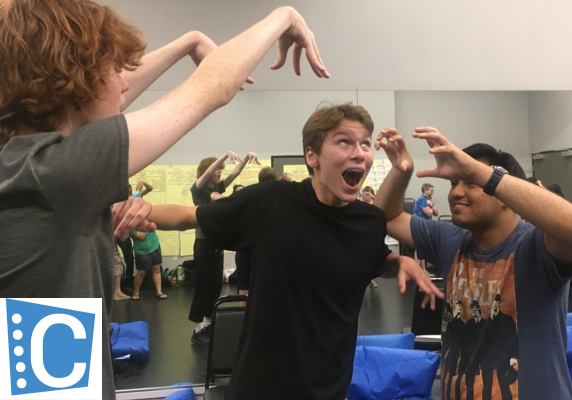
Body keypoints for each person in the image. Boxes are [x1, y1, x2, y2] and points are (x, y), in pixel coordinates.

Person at [0, 0, 329, 397]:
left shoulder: (19, 162)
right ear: (73, 82)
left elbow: (106, 100)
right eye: (112, 69)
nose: (125, 84)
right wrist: (285, 16)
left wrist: (187, 42)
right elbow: (214, 86)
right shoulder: (60, 173)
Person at [142, 103, 443, 400]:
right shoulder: (273, 202)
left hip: (331, 387)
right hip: (261, 388)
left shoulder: (370, 220)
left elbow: (374, 260)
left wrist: (399, 261)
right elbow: (188, 216)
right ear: (312, 156)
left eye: (365, 143)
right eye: (344, 142)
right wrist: (134, 210)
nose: (359, 152)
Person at [374, 126, 572, 400]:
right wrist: (401, 170)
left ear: (504, 195)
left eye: (471, 182)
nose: (456, 192)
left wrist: (479, 171)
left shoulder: (535, 246)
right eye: (454, 182)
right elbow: (386, 217)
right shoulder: (451, 239)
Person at [190, 151, 260, 344]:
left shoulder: (218, 187)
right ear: (208, 171)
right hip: (203, 244)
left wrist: (246, 157)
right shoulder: (198, 190)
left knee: (215, 285)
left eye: (221, 169)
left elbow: (235, 173)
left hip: (217, 243)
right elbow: (206, 173)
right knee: (202, 286)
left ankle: (208, 324)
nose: (220, 172)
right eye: (217, 170)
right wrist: (224, 156)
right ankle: (197, 329)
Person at [130, 229, 166, 300]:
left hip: (155, 246)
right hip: (142, 251)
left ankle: (159, 292)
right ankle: (136, 293)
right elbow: (141, 236)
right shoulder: (132, 226)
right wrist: (146, 224)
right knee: (141, 272)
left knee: (156, 270)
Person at [413, 183, 438, 275]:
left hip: (425, 225)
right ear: (425, 190)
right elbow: (429, 213)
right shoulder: (421, 199)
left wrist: (431, 205)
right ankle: (416, 271)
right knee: (418, 248)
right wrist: (431, 206)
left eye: (432, 190)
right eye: (431, 190)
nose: (432, 191)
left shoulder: (429, 199)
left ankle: (423, 271)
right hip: (418, 224)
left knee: (422, 248)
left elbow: (436, 213)